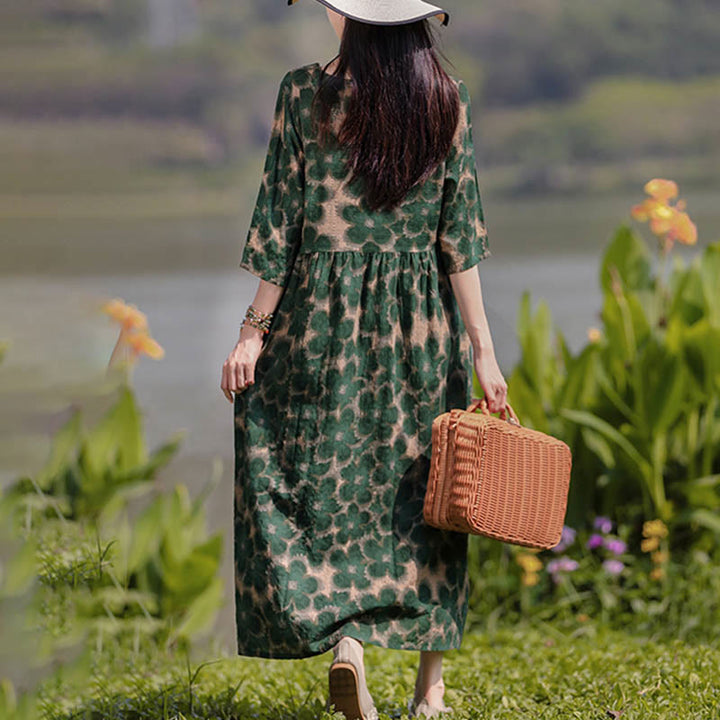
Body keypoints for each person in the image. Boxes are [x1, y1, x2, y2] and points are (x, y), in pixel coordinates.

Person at [220, 1, 508, 717]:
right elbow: (459, 236)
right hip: (418, 327)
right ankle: (430, 693)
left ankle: (346, 640)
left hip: (317, 316)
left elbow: (279, 222)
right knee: (428, 499)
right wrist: (484, 351)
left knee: (316, 480)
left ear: (347, 16)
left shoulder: (302, 93)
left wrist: (254, 331)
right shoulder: (447, 100)